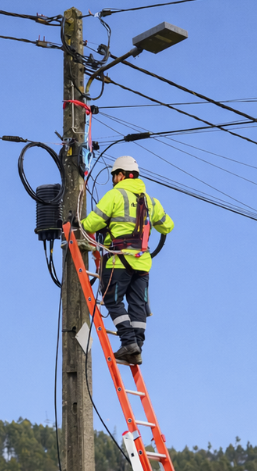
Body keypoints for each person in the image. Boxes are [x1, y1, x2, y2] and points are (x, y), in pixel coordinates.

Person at [80, 155, 174, 365]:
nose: (113, 179)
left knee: (112, 300)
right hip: (142, 263)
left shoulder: (115, 195)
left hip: (119, 261)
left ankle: (129, 342)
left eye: (114, 175)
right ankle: (137, 347)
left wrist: (77, 223)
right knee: (137, 305)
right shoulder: (150, 201)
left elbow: (92, 224)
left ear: (121, 175)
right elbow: (167, 226)